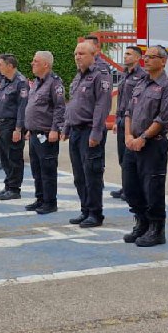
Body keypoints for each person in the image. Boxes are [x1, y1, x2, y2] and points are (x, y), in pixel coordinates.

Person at [121, 44, 168, 247]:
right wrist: (128, 135)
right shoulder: (140, 83)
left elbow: (163, 118)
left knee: (152, 189)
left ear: (163, 61)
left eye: (152, 57)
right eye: (146, 56)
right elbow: (128, 111)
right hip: (132, 143)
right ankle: (141, 223)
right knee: (130, 187)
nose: (147, 60)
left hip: (152, 145)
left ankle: (156, 229)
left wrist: (143, 137)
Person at [64, 40, 112, 227]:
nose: (77, 57)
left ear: (94, 55)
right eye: (76, 54)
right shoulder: (79, 76)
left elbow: (102, 105)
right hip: (76, 131)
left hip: (89, 131)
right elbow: (73, 104)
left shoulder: (100, 75)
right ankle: (85, 209)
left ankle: (95, 213)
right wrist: (67, 127)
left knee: (92, 174)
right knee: (79, 175)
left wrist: (96, 132)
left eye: (82, 54)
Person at [23, 51, 66, 215]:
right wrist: (30, 129)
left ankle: (50, 202)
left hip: (47, 134)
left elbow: (59, 107)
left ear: (45, 64)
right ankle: (40, 198)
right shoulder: (37, 82)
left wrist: (55, 129)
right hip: (35, 133)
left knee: (48, 170)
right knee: (36, 169)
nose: (32, 63)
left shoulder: (54, 83)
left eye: (35, 61)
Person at [0, 54, 28, 201]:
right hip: (1, 124)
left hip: (12, 125)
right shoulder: (5, 81)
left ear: (10, 66)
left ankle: (14, 189)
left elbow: (22, 107)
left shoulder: (20, 82)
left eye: (0, 64)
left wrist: (18, 129)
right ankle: (8, 186)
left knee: (14, 157)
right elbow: (0, 103)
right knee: (5, 157)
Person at [111, 46, 147, 201]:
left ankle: (133, 189)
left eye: (128, 54)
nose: (125, 56)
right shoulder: (124, 74)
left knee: (130, 158)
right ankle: (126, 186)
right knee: (122, 157)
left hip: (132, 121)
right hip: (121, 120)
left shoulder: (142, 76)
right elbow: (120, 99)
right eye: (125, 54)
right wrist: (115, 120)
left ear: (138, 57)